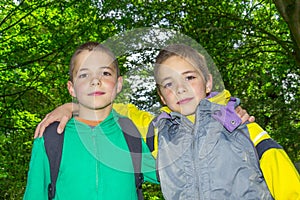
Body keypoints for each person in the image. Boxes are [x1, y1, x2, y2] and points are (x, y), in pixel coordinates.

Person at [152, 44, 300, 199]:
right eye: (169, 84)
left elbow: (288, 186)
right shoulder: (161, 141)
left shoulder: (241, 127)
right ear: (162, 96)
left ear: (208, 82)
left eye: (189, 77)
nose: (180, 89)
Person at [23, 42, 158, 200]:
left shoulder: (130, 133)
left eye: (105, 73)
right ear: (71, 88)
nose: (95, 81)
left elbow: (170, 173)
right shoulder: (51, 137)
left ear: (119, 84)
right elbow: (34, 194)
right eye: (84, 74)